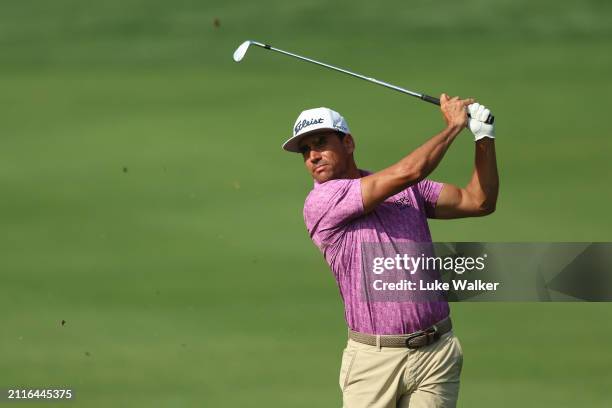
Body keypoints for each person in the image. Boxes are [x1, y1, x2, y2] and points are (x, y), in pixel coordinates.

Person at [282, 94, 499, 408]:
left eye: (320, 142)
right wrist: (453, 127)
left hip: (435, 353)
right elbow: (408, 172)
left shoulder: (406, 191)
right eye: (305, 150)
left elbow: (479, 201)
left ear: (348, 143)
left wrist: (483, 138)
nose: (313, 155)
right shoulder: (321, 202)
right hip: (374, 360)